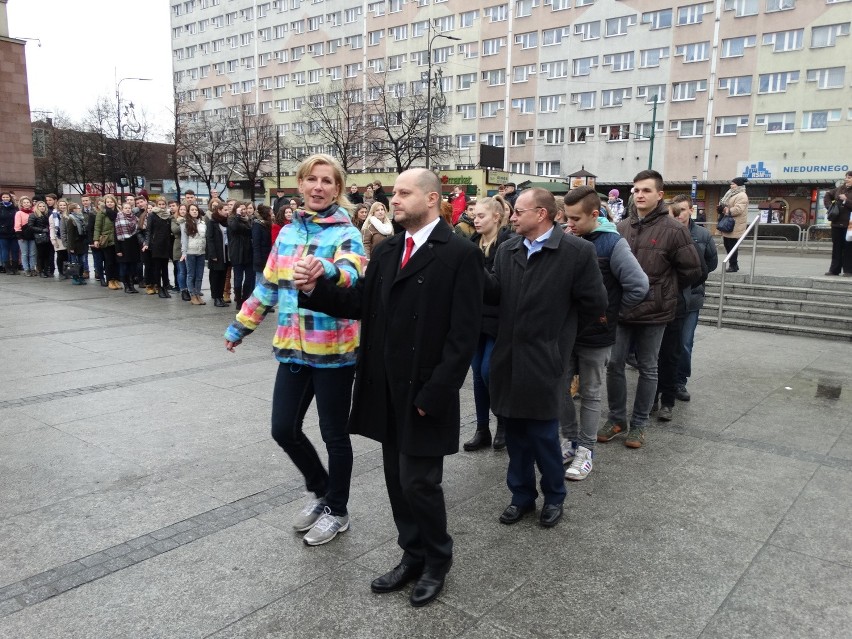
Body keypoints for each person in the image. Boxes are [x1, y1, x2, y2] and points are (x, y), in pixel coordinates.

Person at [293, 168, 483, 607]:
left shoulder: (459, 254)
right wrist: (315, 289)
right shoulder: (388, 248)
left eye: (403, 193)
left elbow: (463, 335)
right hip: (384, 387)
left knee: (421, 483)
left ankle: (438, 560)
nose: (392, 199)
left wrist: (436, 394)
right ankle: (411, 554)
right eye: (393, 193)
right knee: (397, 480)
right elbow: (360, 304)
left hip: (424, 393)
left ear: (432, 199)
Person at [224, 154, 366, 547]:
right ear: (300, 186)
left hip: (334, 351)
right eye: (312, 180)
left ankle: (338, 510)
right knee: (283, 429)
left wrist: (329, 271)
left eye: (327, 181)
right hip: (292, 349)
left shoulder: (346, 232)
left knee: (334, 434)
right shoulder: (286, 234)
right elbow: (267, 286)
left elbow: (352, 272)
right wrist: (241, 325)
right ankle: (322, 491)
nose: (319, 187)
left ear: (338, 188)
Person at [484, 188, 607, 528]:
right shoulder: (507, 249)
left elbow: (594, 303)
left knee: (542, 435)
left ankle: (554, 496)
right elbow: (495, 294)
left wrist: (559, 339)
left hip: (545, 361)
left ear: (541, 214)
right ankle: (521, 496)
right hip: (508, 359)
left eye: (518, 211)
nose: (512, 217)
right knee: (515, 435)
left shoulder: (577, 251)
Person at [598, 170, 702, 449]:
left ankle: (639, 424)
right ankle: (617, 418)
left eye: (646, 190)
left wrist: (663, 291)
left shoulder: (675, 230)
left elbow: (693, 271)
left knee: (648, 367)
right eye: (636, 190)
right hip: (622, 309)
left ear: (659, 195)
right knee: (615, 365)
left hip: (655, 312)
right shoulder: (621, 227)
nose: (640, 195)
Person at [560, 186, 648, 480]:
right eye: (566, 218)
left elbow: (638, 285)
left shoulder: (612, 243)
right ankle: (570, 441)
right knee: (559, 386)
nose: (569, 224)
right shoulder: (568, 237)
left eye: (575, 219)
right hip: (566, 330)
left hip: (596, 334)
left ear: (594, 215)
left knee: (591, 392)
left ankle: (585, 450)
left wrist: (610, 314)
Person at [463, 197, 514, 452]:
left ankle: (503, 422)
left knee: (488, 371)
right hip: (474, 318)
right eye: (474, 215)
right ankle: (482, 429)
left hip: (498, 319)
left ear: (496, 217)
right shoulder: (472, 243)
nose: (476, 219)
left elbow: (500, 285)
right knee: (477, 375)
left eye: (481, 215)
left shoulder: (507, 244)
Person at [669, 195, 718, 402]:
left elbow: (711, 263)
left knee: (685, 342)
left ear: (690, 210)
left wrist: (695, 276)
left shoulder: (703, 235)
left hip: (692, 296)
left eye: (682, 210)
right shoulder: (667, 232)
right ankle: (664, 382)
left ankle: (680, 381)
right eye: (675, 210)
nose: (679, 214)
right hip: (670, 296)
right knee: (667, 343)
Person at [145, 198, 174, 299]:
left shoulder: (168, 216)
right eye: (160, 204)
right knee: (157, 268)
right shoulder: (152, 215)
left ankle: (165, 287)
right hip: (156, 244)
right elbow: (148, 230)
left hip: (166, 244)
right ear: (156, 205)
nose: (162, 206)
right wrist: (147, 243)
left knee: (165, 267)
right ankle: (159, 287)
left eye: (163, 204)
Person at [824, 170, 852, 276]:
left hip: (849, 224)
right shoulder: (840, 188)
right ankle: (834, 270)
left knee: (849, 247)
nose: (846, 179)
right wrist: (829, 207)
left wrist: (846, 200)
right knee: (836, 247)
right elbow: (827, 195)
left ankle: (848, 270)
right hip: (836, 223)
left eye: (849, 177)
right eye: (846, 177)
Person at [228, 201, 255, 309]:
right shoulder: (232, 219)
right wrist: (238, 216)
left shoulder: (250, 220)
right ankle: (239, 300)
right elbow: (234, 228)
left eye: (245, 209)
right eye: (241, 209)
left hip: (248, 253)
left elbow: (250, 230)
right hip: (237, 253)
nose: (244, 211)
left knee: (249, 278)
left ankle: (245, 298)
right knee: (238, 278)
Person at [719, 177, 749, 273]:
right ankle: (733, 264)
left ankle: (733, 265)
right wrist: (720, 208)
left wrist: (726, 210)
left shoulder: (742, 195)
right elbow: (725, 204)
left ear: (739, 185)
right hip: (728, 223)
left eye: (733, 184)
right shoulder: (731, 194)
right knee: (727, 244)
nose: (731, 185)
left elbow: (739, 209)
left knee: (732, 246)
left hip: (735, 225)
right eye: (731, 184)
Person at [93, 195, 121, 290]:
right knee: (109, 262)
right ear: (105, 203)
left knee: (117, 261)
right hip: (107, 240)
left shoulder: (119, 212)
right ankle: (110, 280)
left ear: (115, 202)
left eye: (111, 201)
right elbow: (97, 227)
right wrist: (96, 239)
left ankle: (116, 279)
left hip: (118, 240)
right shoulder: (101, 213)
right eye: (108, 202)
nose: (110, 203)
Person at [182, 203, 207, 305]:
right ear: (188, 212)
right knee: (191, 275)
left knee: (199, 275)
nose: (194, 211)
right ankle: (192, 295)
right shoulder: (185, 223)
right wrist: (184, 252)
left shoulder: (202, 223)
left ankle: (197, 294)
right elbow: (184, 239)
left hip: (201, 252)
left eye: (196, 210)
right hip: (190, 252)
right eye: (192, 210)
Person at [206, 203, 231, 307]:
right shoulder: (212, 222)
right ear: (219, 210)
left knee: (223, 276)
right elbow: (209, 238)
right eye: (225, 210)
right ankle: (216, 298)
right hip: (216, 252)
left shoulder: (227, 222)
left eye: (228, 210)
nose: (227, 212)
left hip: (226, 251)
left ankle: (221, 297)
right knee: (216, 276)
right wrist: (212, 254)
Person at [114, 201, 141, 294]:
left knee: (133, 268)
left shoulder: (135, 219)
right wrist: (118, 250)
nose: (127, 210)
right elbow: (116, 236)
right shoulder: (118, 219)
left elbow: (138, 232)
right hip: (123, 246)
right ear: (122, 209)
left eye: (129, 208)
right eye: (125, 208)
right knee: (124, 267)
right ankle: (126, 286)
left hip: (133, 246)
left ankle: (132, 285)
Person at [64, 203, 89, 285]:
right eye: (78, 208)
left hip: (81, 243)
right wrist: (71, 247)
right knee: (74, 262)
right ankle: (75, 277)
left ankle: (80, 276)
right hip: (74, 244)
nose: (80, 209)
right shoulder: (71, 219)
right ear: (73, 210)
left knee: (82, 261)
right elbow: (70, 234)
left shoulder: (81, 218)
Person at [252, 203, 273, 284]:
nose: (272, 215)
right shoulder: (258, 225)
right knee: (260, 282)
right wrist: (258, 259)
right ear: (266, 214)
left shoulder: (267, 224)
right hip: (260, 258)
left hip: (267, 257)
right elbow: (256, 244)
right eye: (271, 213)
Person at [0, 192, 19, 275]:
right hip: (3, 233)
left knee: (15, 250)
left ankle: (15, 268)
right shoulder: (0, 207)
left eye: (7, 197)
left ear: (10, 198)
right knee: (5, 251)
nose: (5, 198)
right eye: (3, 197)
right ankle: (7, 268)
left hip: (14, 232)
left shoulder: (14, 207)